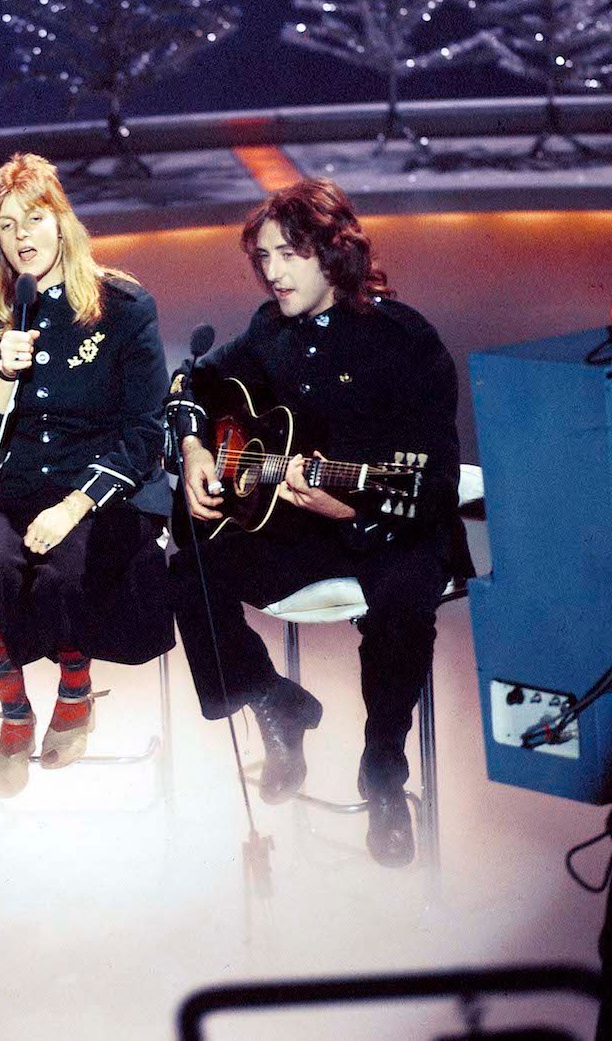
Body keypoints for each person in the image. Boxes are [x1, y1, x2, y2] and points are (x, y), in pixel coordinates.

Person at [167, 178, 468, 867]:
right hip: (301, 527)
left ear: (333, 253)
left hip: (388, 521)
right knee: (187, 559)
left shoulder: (402, 338)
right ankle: (272, 699)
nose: (271, 272)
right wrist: (191, 450)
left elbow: (437, 485)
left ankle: (384, 774)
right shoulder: (268, 331)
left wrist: (352, 507)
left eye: (286, 254)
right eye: (263, 258)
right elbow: (191, 387)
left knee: (401, 602)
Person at [0, 153, 173, 797]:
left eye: (36, 218)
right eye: (7, 225)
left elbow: (144, 434)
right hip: (13, 485)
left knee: (65, 571)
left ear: (63, 222)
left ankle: (76, 683)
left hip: (97, 491)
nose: (22, 237)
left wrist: (76, 504)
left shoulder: (123, 306)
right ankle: (15, 709)